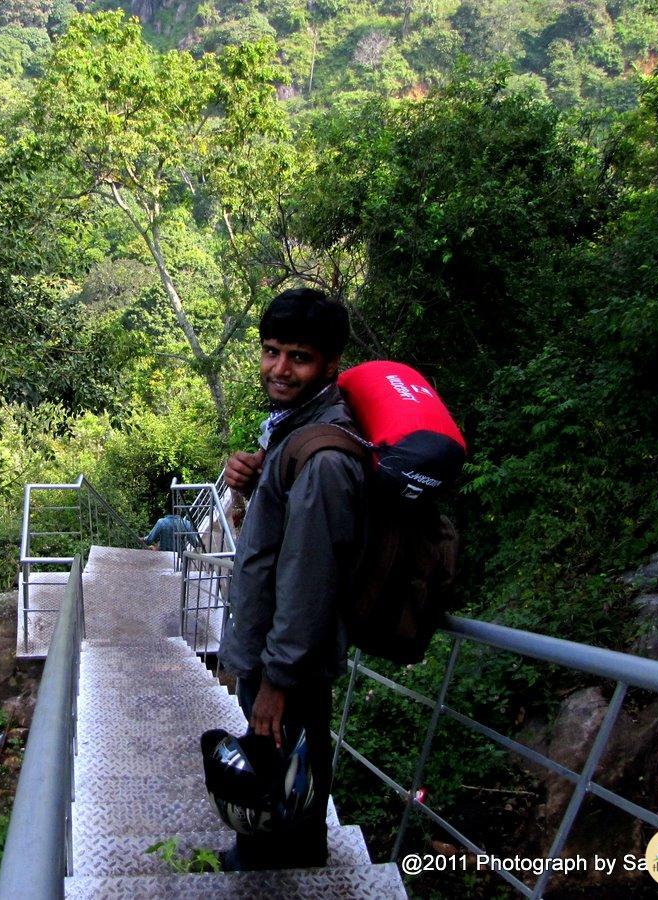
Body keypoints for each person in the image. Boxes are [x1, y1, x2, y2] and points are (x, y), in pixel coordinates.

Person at [217, 287, 367, 871]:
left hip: (289, 662)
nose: (280, 369)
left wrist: (277, 678)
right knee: (282, 758)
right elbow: (280, 532)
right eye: (272, 351)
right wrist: (249, 483)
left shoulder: (325, 458)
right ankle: (274, 852)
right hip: (273, 652)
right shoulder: (291, 429)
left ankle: (283, 864)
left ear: (331, 367)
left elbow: (309, 577)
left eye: (298, 357)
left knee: (290, 759)